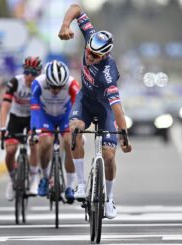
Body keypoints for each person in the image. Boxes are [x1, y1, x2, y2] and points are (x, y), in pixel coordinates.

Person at [58, 4, 132, 218]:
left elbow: (117, 109)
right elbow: (76, 8)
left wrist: (124, 136)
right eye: (88, 52)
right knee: (74, 129)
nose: (89, 57)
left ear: (105, 55)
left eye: (95, 56)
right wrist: (65, 25)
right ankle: (81, 184)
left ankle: (109, 199)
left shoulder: (107, 74)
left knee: (109, 156)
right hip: (85, 101)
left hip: (106, 109)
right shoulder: (92, 36)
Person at [30, 60, 80, 204]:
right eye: (52, 86)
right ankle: (45, 178)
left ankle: (70, 186)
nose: (56, 90)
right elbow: (34, 108)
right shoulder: (37, 83)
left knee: (70, 143)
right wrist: (34, 130)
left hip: (66, 115)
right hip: (44, 115)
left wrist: (78, 127)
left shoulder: (72, 84)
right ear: (47, 81)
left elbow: (78, 107)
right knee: (45, 143)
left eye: (59, 86)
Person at [0, 56, 42, 201]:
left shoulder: (41, 84)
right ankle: (13, 179)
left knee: (34, 145)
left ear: (39, 73)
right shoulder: (15, 82)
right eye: (27, 72)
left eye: (33, 73)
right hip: (16, 118)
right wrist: (2, 127)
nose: (29, 76)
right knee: (10, 151)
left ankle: (34, 178)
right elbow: (5, 105)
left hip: (32, 118)